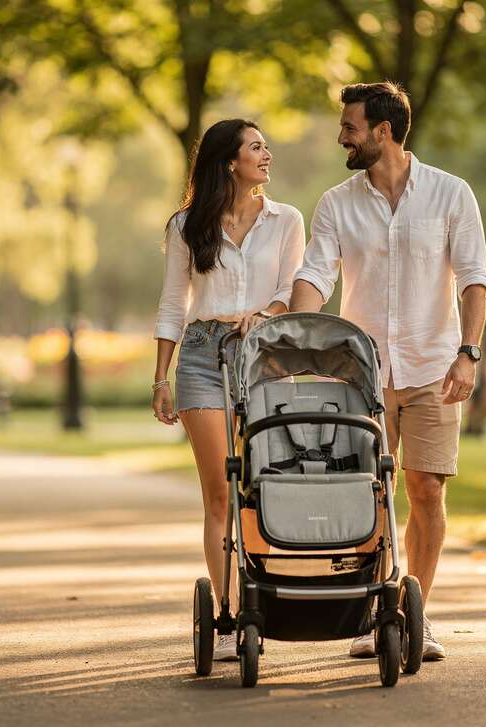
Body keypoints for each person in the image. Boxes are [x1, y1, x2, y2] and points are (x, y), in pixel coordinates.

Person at [289, 81, 486, 662]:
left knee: (426, 489)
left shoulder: (452, 195)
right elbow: (317, 275)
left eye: (350, 127)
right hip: (362, 374)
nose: (341, 136)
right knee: (367, 496)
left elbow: (475, 279)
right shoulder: (336, 202)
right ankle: (375, 611)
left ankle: (413, 615)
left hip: (433, 366)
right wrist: (289, 325)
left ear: (383, 131)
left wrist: (469, 353)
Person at [150, 119, 305, 662]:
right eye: (256, 146)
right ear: (229, 161)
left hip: (261, 353)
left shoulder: (287, 220)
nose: (267, 153)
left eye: (266, 145)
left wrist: (263, 314)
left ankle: (261, 597)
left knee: (257, 488)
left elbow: (291, 292)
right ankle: (228, 608)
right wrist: (160, 377)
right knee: (220, 490)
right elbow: (174, 303)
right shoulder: (187, 224)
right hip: (200, 355)